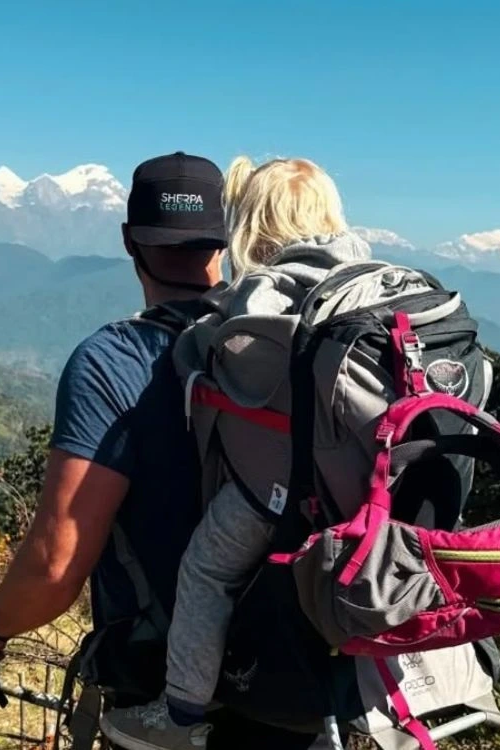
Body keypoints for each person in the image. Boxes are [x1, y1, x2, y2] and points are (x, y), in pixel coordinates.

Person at [0, 152, 320, 750]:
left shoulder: (112, 363)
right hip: (300, 688)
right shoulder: (285, 345)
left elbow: (55, 564)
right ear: (224, 240)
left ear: (129, 242)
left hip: (164, 707)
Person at [98, 156, 372, 750]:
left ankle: (181, 714)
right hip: (367, 485)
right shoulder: (368, 278)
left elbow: (228, 358)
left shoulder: (272, 287)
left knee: (207, 570)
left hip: (285, 482)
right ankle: (350, 717)